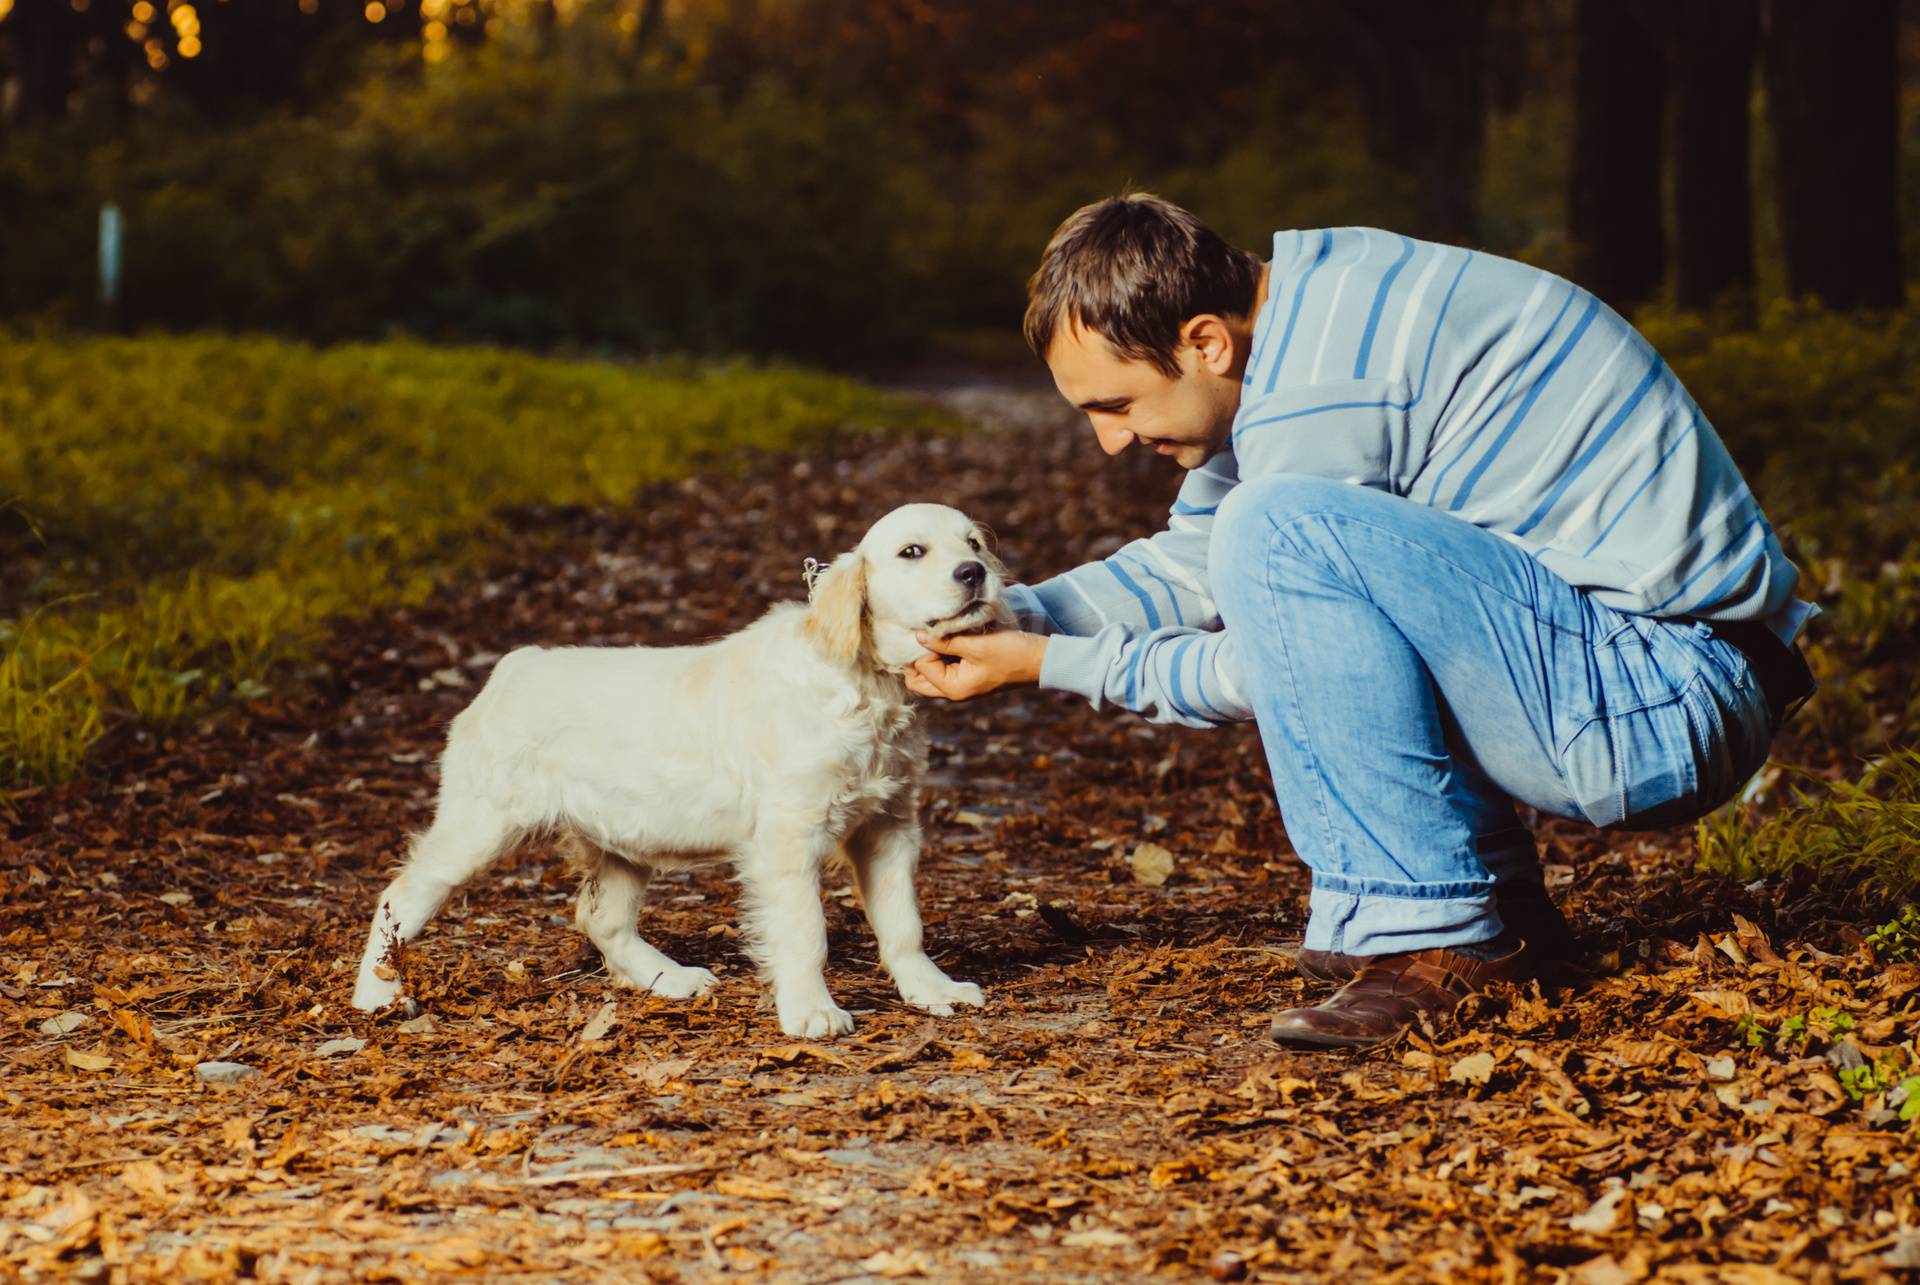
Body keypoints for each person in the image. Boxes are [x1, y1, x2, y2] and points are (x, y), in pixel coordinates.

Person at [904, 193, 1816, 1050]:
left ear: (1207, 342)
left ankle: (1438, 931)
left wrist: (1047, 662)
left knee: (1277, 528)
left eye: (1116, 405)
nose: (1110, 440)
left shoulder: (1322, 388)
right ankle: (1494, 913)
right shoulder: (1312, 323)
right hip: (1640, 674)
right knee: (1271, 528)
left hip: (1665, 700)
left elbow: (1279, 664)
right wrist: (999, 614)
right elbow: (1193, 559)